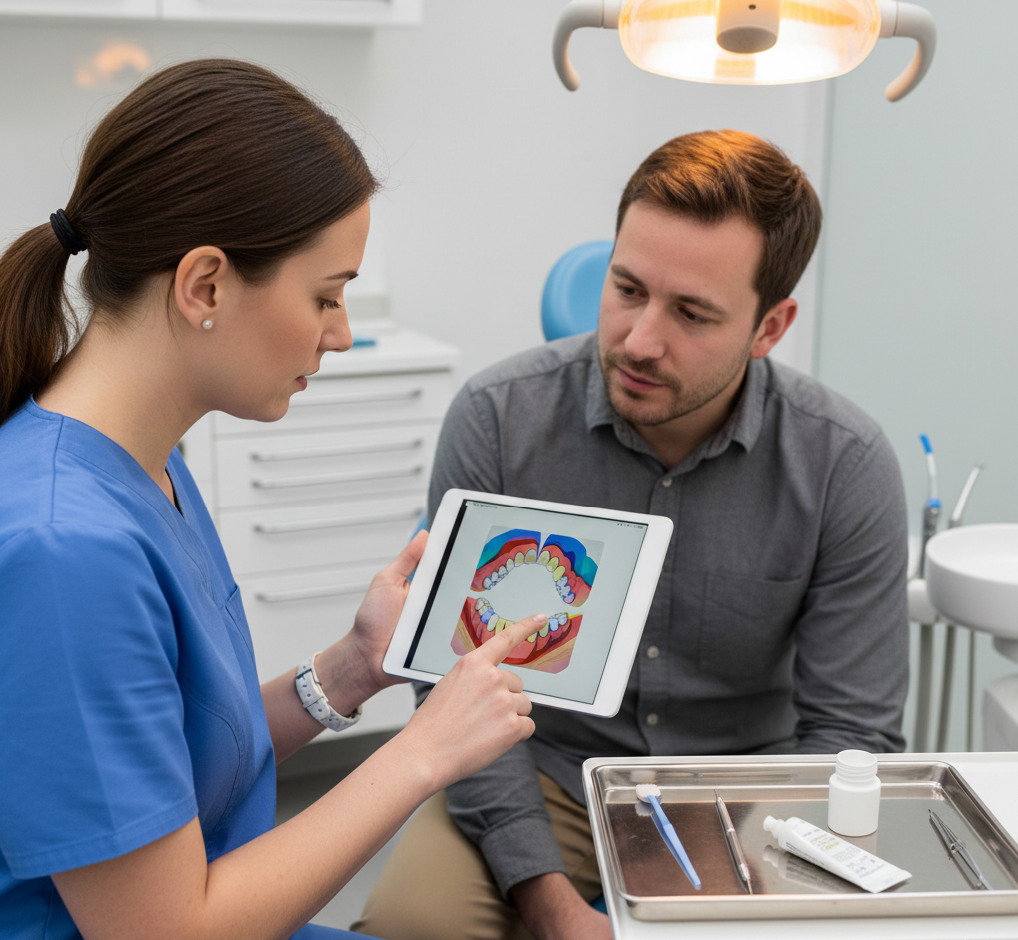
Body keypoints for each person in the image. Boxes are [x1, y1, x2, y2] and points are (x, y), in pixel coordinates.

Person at [0, 58, 544, 940]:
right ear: (205, 285)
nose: (340, 333)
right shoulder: (68, 548)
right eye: (326, 295)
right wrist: (423, 751)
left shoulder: (148, 464)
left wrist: (348, 672)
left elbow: (163, 759)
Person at [353, 130, 910, 940]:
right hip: (538, 768)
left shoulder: (843, 465)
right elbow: (453, 687)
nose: (641, 340)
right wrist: (545, 899)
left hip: (747, 797)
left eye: (692, 313)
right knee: (411, 925)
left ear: (770, 326)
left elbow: (850, 734)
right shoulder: (500, 419)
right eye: (627, 289)